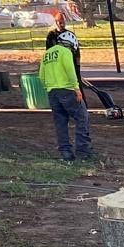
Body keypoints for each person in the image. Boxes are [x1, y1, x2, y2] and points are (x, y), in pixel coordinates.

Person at [39, 29, 94, 163]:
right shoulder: (65, 52)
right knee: (82, 117)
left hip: (52, 92)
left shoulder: (46, 54)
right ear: (71, 44)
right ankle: (83, 150)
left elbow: (41, 75)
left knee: (61, 122)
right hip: (67, 90)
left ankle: (65, 151)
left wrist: (48, 87)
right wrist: (76, 88)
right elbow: (70, 70)